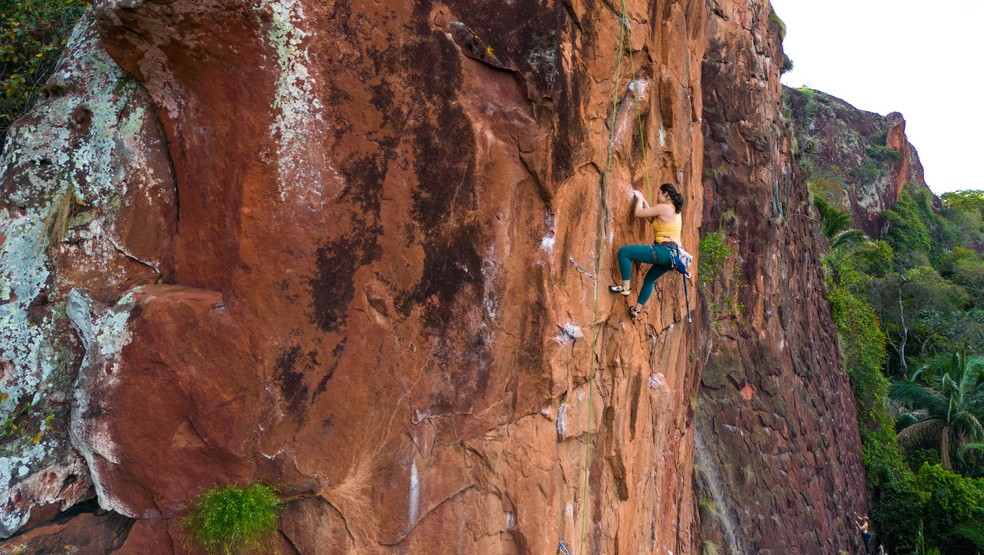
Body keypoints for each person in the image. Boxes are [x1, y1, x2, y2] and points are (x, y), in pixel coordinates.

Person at [608, 182, 685, 319]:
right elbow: (652, 218)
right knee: (649, 280)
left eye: (659, 193)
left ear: (666, 194)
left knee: (624, 252)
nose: (656, 196)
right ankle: (636, 310)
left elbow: (638, 213)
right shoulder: (675, 210)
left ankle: (625, 288)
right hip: (672, 257)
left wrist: (638, 199)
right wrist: (643, 199)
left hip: (663, 251)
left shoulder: (664, 207)